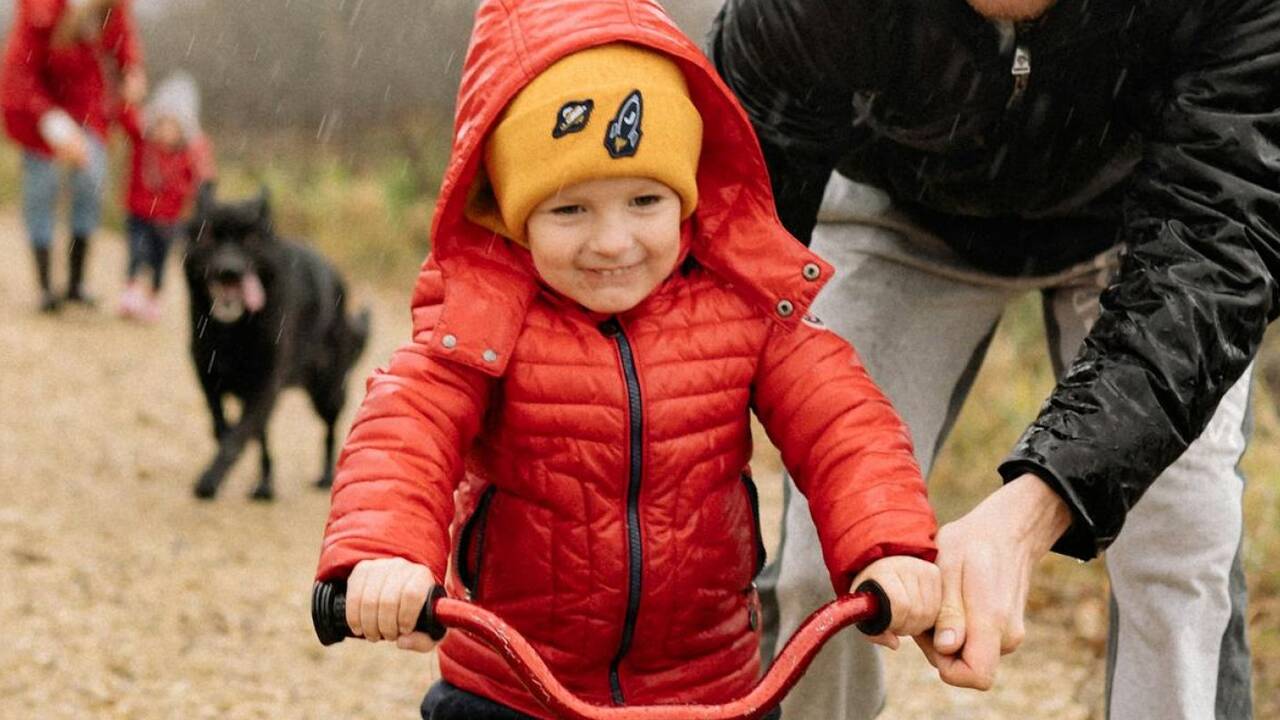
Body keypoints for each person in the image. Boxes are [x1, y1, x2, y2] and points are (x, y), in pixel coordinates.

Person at [315, 1, 943, 718]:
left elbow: (843, 423)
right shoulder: (485, 310)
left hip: (710, 684)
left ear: (688, 195)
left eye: (645, 200)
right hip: (514, 683)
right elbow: (407, 428)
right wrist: (387, 552)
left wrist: (887, 545)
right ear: (512, 212)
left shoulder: (741, 298)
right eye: (569, 210)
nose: (613, 242)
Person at [710, 0, 1280, 718]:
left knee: (1183, 549)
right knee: (820, 568)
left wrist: (1032, 513)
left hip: (1149, 223)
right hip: (902, 207)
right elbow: (739, 232)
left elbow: (1218, 250)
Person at [1, 0, 145, 312]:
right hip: (38, 113)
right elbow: (18, 75)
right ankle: (44, 288)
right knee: (41, 189)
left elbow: (124, 46)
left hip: (88, 111)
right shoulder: (37, 13)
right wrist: (52, 123)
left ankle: (76, 283)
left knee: (91, 183)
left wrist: (132, 71)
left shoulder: (113, 10)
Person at [116, 71, 214, 322]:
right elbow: (127, 118)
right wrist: (129, 97)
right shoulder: (143, 143)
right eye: (161, 123)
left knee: (159, 260)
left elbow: (203, 177)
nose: (166, 131)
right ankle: (131, 291)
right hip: (139, 213)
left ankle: (153, 297)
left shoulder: (190, 154)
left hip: (169, 220)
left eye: (173, 126)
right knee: (137, 253)